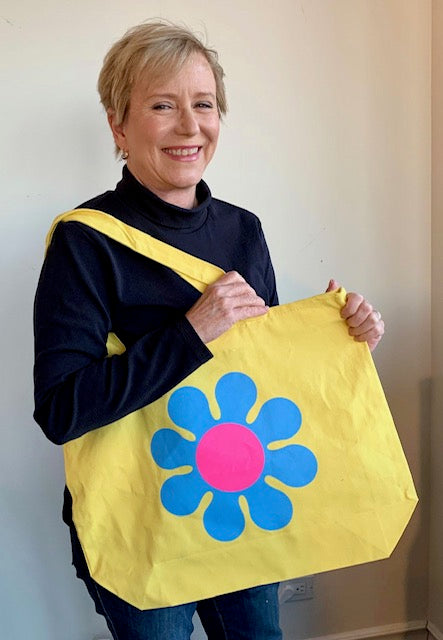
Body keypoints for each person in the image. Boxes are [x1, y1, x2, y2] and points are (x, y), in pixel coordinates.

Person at [33, 20, 385, 640]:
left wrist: (343, 340)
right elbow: (61, 410)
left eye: (203, 104)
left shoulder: (243, 230)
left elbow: (265, 379)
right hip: (139, 521)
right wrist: (192, 332)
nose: (189, 126)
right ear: (118, 126)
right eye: (162, 106)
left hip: (238, 504)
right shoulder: (85, 242)